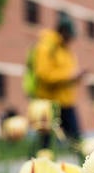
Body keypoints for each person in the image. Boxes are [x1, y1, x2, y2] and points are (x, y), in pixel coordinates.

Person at [31, 14, 88, 144]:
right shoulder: (46, 47)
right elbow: (43, 74)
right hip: (49, 103)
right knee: (46, 143)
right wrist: (69, 76)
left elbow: (70, 74)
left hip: (67, 101)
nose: (71, 40)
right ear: (63, 32)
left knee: (76, 140)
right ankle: (38, 163)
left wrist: (77, 77)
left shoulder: (67, 51)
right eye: (70, 36)